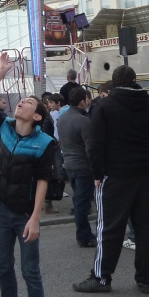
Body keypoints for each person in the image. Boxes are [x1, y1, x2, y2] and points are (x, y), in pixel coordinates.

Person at [73, 64, 149, 295]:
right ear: (135, 80)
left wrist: (97, 174)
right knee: (144, 227)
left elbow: (95, 145)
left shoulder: (104, 107)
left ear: (114, 82)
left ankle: (101, 278)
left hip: (115, 174)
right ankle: (146, 278)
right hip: (145, 174)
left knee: (109, 227)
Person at [0, 52, 55, 297]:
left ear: (37, 116)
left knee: (30, 270)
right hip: (2, 210)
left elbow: (43, 180)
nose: (21, 102)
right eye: (22, 100)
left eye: (29, 102)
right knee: (3, 267)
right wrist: (2, 71)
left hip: (25, 215)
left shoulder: (45, 143)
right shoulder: (4, 127)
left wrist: (35, 218)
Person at [56, 86, 97, 248]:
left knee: (80, 199)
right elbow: (90, 148)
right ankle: (84, 236)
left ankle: (85, 233)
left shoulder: (63, 118)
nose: (89, 101)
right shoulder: (83, 120)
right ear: (82, 101)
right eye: (87, 99)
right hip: (83, 166)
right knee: (82, 202)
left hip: (69, 164)